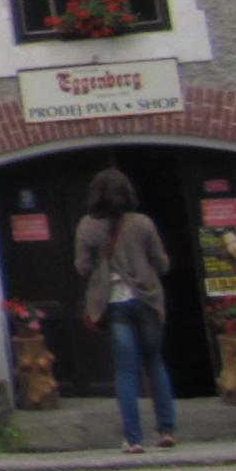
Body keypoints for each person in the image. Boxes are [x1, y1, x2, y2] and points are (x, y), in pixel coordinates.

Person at [74, 167, 178, 452]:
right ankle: (167, 430)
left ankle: (133, 438)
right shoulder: (142, 223)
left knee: (126, 372)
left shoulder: (87, 226)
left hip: (115, 302)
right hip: (147, 300)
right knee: (155, 363)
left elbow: (82, 267)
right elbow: (162, 263)